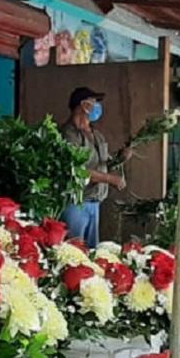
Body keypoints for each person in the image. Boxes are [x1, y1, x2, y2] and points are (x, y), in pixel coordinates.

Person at [61, 87, 127, 247]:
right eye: (94, 102)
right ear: (83, 105)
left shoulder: (97, 135)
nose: (97, 107)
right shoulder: (68, 135)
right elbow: (77, 171)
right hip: (76, 203)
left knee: (91, 251)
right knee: (74, 249)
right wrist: (109, 179)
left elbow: (104, 163)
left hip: (95, 202)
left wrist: (121, 157)